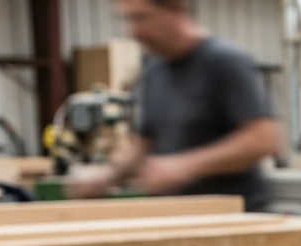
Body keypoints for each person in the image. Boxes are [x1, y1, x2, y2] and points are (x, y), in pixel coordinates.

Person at [74, 0, 281, 211]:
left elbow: (263, 139)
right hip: (178, 215)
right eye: (127, 19)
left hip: (233, 218)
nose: (134, 31)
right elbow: (145, 141)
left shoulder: (224, 62)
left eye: (141, 18)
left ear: (175, 9)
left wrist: (183, 166)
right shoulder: (153, 71)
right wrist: (108, 175)